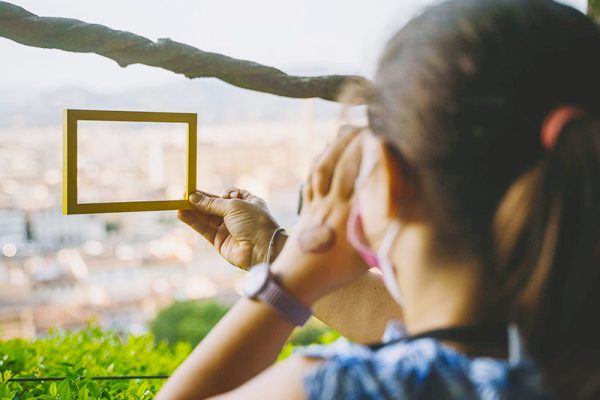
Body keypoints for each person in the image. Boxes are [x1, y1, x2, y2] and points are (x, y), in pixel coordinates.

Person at [157, 0, 600, 398]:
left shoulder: (349, 388)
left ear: (389, 177)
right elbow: (429, 323)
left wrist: (292, 278)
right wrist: (270, 250)